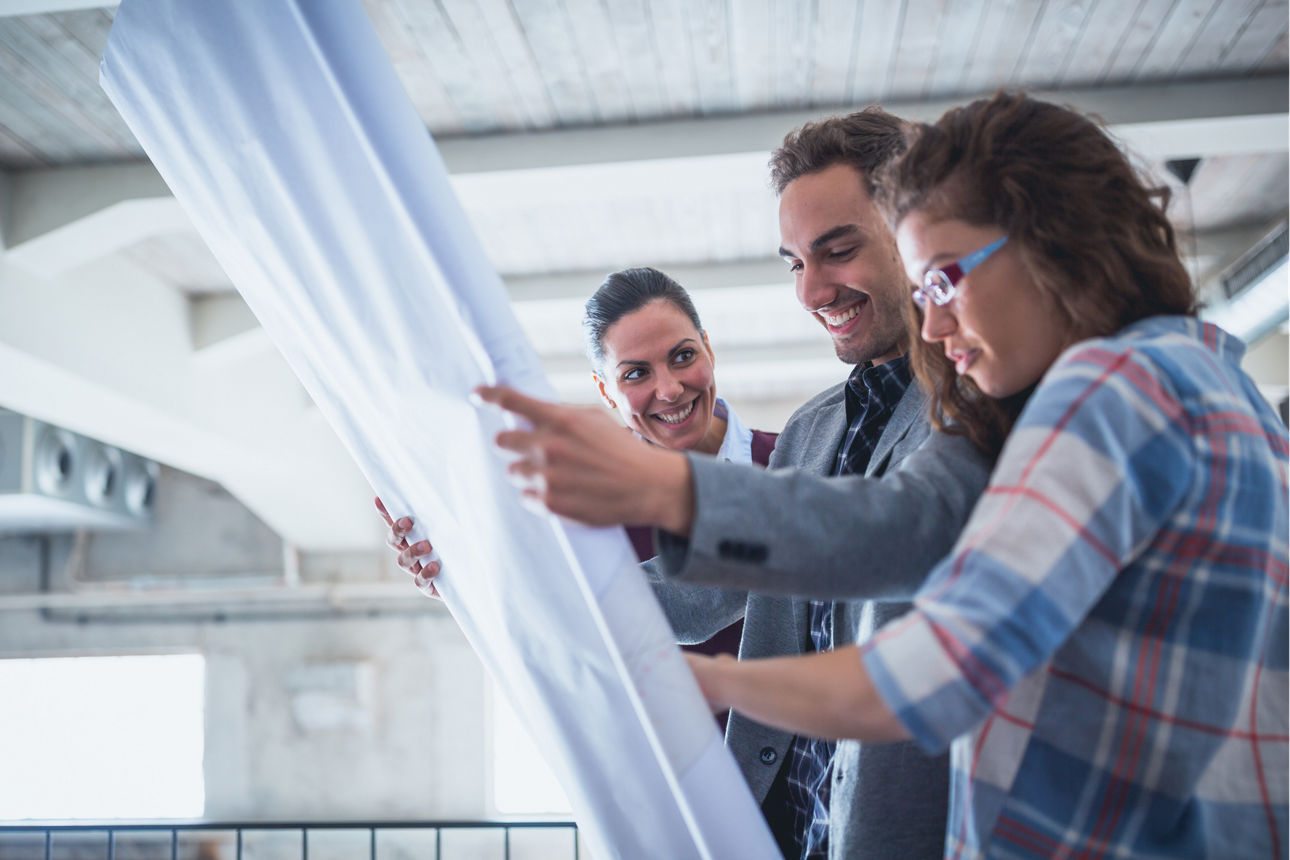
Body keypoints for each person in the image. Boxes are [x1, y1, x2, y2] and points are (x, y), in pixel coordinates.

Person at [682, 92, 1289, 858]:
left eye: (940, 278)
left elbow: (935, 666)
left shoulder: (1107, 390)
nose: (932, 321)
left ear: (1046, 239)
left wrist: (708, 682)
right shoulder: (1218, 383)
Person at [471, 109, 996, 860]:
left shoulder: (975, 406)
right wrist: (483, 571)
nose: (811, 289)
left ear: (913, 231)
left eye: (837, 250)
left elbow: (891, 532)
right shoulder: (815, 428)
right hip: (774, 822)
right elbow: (711, 594)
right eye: (794, 263)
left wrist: (661, 487)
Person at [377, 264, 777, 586]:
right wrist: (448, 571)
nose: (670, 390)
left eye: (683, 356)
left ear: (708, 347)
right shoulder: (577, 500)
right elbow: (534, 600)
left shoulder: (802, 459)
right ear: (605, 392)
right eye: (636, 374)